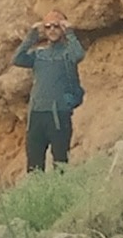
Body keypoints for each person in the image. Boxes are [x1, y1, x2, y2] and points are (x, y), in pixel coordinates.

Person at [18, 9, 86, 171]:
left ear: (63, 27)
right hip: (36, 114)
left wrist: (70, 32)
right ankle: (37, 189)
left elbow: (78, 55)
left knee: (60, 164)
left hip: (59, 114)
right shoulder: (39, 54)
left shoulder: (68, 52)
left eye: (57, 25)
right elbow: (18, 59)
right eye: (48, 26)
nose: (52, 30)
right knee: (34, 166)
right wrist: (32, 35)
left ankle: (60, 188)